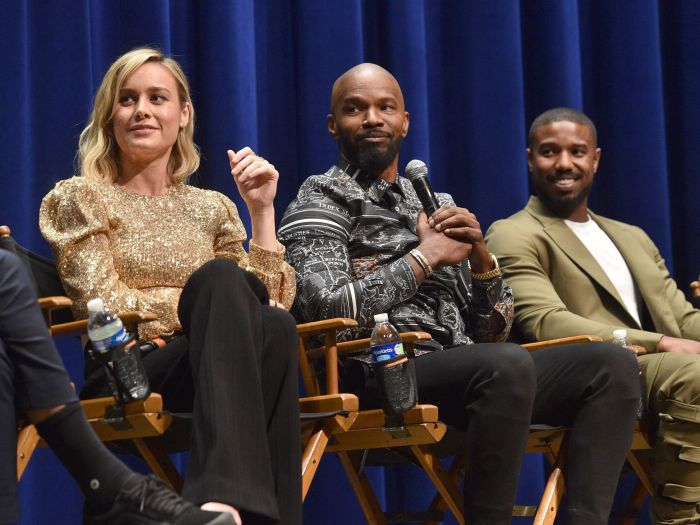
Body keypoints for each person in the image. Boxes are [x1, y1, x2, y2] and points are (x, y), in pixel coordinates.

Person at [278, 63, 641, 525]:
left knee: (613, 364)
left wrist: (481, 259)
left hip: (468, 366)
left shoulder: (435, 203)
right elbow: (322, 306)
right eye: (356, 109)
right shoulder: (319, 199)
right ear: (334, 125)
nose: (372, 118)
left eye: (385, 107)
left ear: (405, 121)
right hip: (375, 367)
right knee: (503, 365)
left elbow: (492, 331)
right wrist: (424, 258)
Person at [39, 48, 301, 525]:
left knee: (277, 330)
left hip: (213, 364)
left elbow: (271, 303)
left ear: (182, 116)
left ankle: (252, 516)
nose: (141, 109)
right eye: (127, 99)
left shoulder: (213, 206)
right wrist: (203, 308)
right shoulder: (79, 197)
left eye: (157, 98)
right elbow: (104, 304)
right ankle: (218, 499)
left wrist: (262, 212)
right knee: (221, 280)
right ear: (109, 117)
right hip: (130, 364)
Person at [485, 106, 700, 525]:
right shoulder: (512, 232)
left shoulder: (631, 236)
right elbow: (544, 320)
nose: (564, 163)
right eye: (550, 152)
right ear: (530, 158)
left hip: (660, 364)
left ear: (595, 159)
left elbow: (680, 317)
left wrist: (675, 338)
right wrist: (662, 343)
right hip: (601, 371)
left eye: (577, 152)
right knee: (694, 375)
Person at [0, 249, 234, 525]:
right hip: (132, 369)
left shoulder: (214, 207)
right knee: (6, 268)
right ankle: (108, 485)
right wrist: (191, 305)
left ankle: (110, 486)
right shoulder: (89, 206)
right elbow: (104, 298)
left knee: (270, 322)